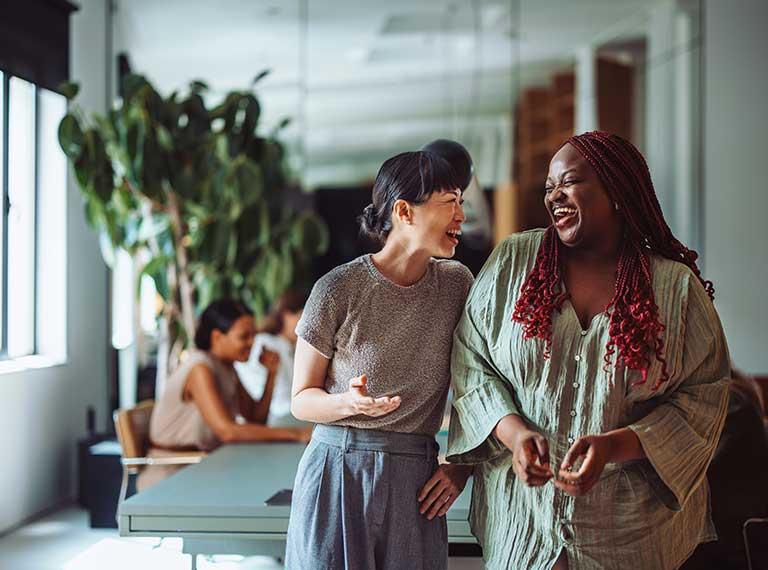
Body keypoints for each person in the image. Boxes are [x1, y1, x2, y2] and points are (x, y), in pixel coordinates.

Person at [447, 131, 731, 569]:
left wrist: (615, 445)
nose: (554, 196)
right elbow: (472, 364)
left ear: (616, 190)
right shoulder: (512, 264)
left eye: (570, 182)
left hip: (628, 533)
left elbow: (704, 399)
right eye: (548, 187)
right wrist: (515, 434)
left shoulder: (674, 290)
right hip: (523, 522)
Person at [286, 149, 475, 570]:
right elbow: (301, 399)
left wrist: (463, 464)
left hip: (417, 481)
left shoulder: (458, 284)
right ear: (405, 211)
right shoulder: (338, 289)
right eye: (450, 202)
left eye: (462, 201)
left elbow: (479, 380)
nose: (461, 215)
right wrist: (346, 404)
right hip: (338, 471)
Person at [139, 299, 310, 490]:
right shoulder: (200, 368)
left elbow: (255, 418)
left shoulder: (227, 367)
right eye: (244, 336)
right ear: (217, 337)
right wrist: (296, 434)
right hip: (173, 474)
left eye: (253, 335)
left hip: (204, 466)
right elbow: (227, 431)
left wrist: (271, 373)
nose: (252, 343)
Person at [235, 290, 310, 427]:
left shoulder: (288, 347)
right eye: (303, 316)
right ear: (286, 315)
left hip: (281, 415)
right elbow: (283, 400)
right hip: (276, 417)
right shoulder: (268, 344)